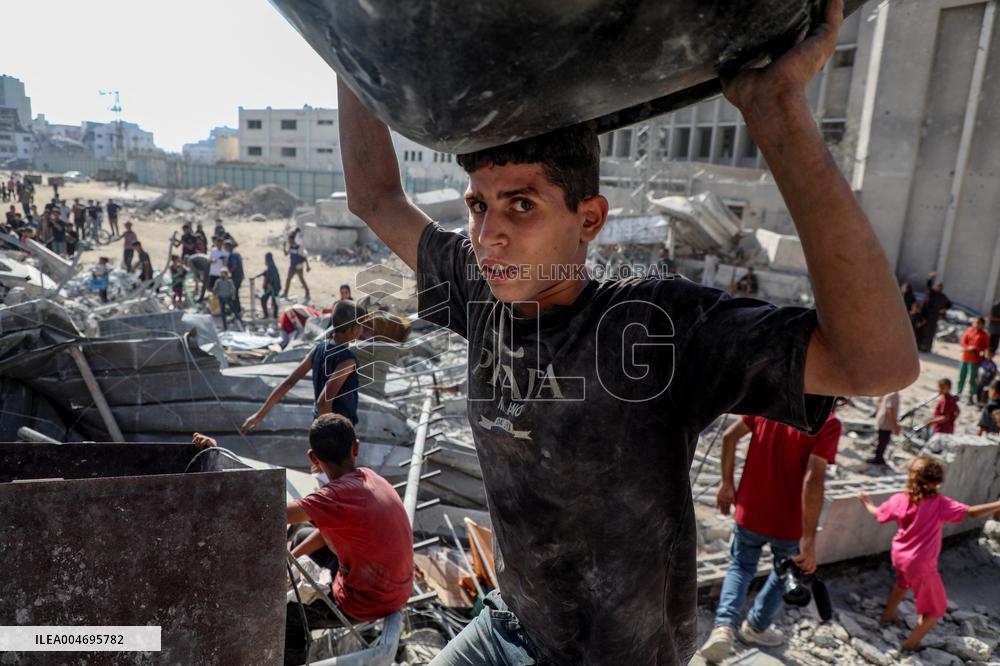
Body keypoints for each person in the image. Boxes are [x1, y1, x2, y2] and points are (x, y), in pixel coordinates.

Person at [337, 0, 918, 661]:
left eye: (520, 204)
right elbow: (376, 197)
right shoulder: (481, 291)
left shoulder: (652, 327)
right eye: (478, 204)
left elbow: (875, 363)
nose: (487, 232)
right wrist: (347, 36)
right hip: (508, 627)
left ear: (589, 219)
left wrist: (775, 108)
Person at [191, 414, 413, 666]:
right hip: (396, 588)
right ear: (356, 447)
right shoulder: (368, 478)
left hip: (367, 602)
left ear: (312, 458)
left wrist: (218, 457)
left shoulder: (333, 498)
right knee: (303, 534)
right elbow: (327, 531)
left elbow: (265, 508)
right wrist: (295, 556)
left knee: (288, 620)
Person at [700, 412, 841, 661]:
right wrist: (809, 540)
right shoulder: (827, 424)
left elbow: (729, 437)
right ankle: (755, 627)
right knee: (784, 572)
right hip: (788, 521)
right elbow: (813, 478)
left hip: (750, 510)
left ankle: (723, 627)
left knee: (740, 567)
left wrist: (726, 484)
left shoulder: (771, 405)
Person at [858, 456, 1000, 652]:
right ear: (938, 482)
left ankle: (888, 615)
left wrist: (867, 503)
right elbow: (973, 513)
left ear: (910, 476)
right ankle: (909, 645)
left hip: (899, 554)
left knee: (902, 582)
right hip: (921, 563)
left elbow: (878, 514)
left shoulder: (900, 498)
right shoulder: (939, 503)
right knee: (935, 610)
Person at [243, 300, 366, 433]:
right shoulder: (347, 360)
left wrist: (259, 415)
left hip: (318, 425)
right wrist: (333, 436)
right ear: (353, 329)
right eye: (362, 326)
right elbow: (323, 403)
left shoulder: (318, 349)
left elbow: (288, 383)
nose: (363, 330)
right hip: (335, 431)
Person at [957, 317, 990, 404]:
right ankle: (958, 393)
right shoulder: (969, 330)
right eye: (975, 322)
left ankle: (971, 396)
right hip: (965, 357)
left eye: (979, 323)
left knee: (972, 379)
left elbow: (985, 347)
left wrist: (975, 349)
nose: (976, 325)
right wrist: (967, 348)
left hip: (975, 360)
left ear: (982, 325)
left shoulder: (984, 335)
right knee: (961, 376)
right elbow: (963, 341)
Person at [918, 272, 952, 353]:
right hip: (925, 315)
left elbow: (949, 304)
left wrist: (943, 309)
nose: (938, 288)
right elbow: (928, 285)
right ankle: (918, 345)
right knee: (921, 330)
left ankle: (927, 348)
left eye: (940, 287)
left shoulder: (942, 297)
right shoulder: (931, 293)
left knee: (930, 333)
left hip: (933, 317)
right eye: (937, 287)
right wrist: (931, 277)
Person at [869, 391, 901, 466]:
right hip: (886, 423)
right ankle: (878, 458)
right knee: (883, 441)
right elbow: (890, 410)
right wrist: (895, 425)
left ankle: (878, 457)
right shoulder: (893, 394)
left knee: (882, 441)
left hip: (884, 422)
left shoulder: (888, 393)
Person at [282, 232, 311, 302]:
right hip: (292, 266)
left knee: (301, 280)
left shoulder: (299, 247)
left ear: (292, 239)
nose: (289, 241)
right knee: (288, 279)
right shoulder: (291, 247)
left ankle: (307, 292)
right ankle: (285, 293)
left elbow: (304, 257)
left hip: (298, 267)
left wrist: (307, 266)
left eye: (289, 240)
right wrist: (284, 247)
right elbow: (286, 254)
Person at [257, 252, 282, 319]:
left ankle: (271, 316)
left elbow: (271, 277)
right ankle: (273, 316)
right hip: (273, 288)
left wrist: (270, 284)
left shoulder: (271, 267)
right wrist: (257, 276)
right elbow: (265, 273)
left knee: (266, 300)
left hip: (273, 289)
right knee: (273, 301)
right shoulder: (271, 266)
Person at [225, 240, 244, 315]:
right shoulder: (236, 254)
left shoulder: (232, 255)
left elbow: (234, 266)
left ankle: (236, 310)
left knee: (233, 294)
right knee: (235, 294)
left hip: (235, 277)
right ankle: (236, 309)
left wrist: (228, 272)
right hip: (239, 276)